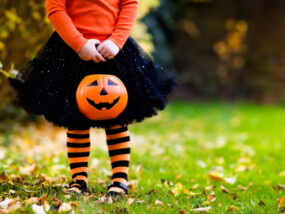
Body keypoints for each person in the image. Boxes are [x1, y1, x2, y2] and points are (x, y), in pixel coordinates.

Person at [9, 0, 176, 197]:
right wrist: (79, 44)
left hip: (113, 51)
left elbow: (130, 4)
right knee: (76, 120)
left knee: (117, 120)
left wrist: (116, 41)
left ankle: (120, 179)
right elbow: (55, 9)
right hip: (72, 52)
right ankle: (78, 179)